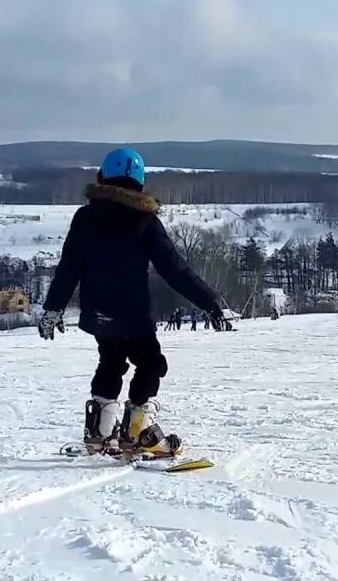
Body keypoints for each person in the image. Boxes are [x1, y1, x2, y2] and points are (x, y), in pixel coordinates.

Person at [39, 148, 228, 458]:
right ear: (140, 184)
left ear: (102, 178)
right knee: (151, 363)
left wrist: (53, 308)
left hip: (99, 313)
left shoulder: (85, 218)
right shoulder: (144, 221)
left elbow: (68, 267)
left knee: (110, 363)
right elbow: (174, 269)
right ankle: (137, 432)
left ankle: (100, 434)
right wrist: (208, 301)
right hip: (133, 315)